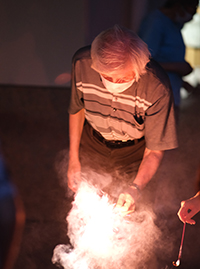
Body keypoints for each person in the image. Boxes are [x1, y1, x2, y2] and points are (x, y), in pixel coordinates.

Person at [67, 24, 178, 215]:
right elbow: (77, 110)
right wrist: (73, 158)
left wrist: (135, 187)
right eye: (106, 76)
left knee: (132, 217)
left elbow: (154, 150)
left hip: (135, 154)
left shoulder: (157, 87)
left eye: (121, 79)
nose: (113, 84)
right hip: (93, 143)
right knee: (87, 213)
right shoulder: (82, 63)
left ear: (139, 68)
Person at [139, 0, 198, 118]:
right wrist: (178, 67)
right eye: (192, 8)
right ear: (178, 4)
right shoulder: (156, 22)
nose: (193, 14)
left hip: (170, 94)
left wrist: (182, 83)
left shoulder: (174, 25)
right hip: (156, 97)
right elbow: (143, 62)